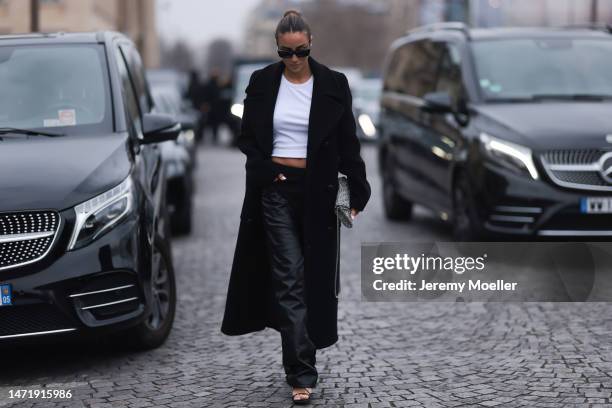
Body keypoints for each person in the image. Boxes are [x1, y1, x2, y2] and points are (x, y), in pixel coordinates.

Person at [220, 9, 371, 404]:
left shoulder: (333, 84)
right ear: (277, 50)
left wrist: (357, 191)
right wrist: (269, 172)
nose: (293, 59)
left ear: (310, 44)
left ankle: (303, 355)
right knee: (288, 277)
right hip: (276, 190)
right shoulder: (262, 82)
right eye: (285, 52)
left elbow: (347, 143)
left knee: (314, 279)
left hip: (319, 192)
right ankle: (301, 372)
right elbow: (248, 138)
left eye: (300, 50)